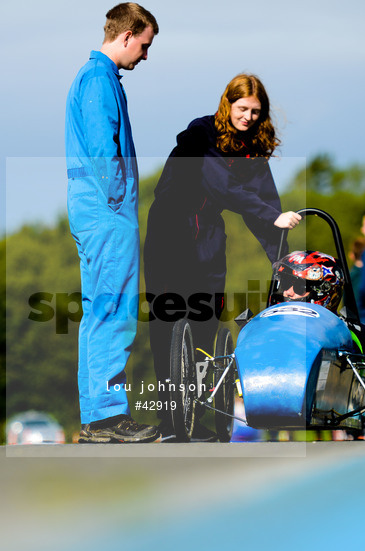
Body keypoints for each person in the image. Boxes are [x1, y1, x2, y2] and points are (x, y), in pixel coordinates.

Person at [144, 73, 301, 440]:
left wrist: (284, 268)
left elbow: (265, 203)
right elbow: (221, 184)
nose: (248, 117)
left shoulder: (251, 147)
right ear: (227, 103)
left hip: (209, 233)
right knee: (167, 323)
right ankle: (170, 421)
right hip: (171, 230)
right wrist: (267, 213)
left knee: (206, 323)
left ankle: (194, 418)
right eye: (242, 108)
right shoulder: (200, 133)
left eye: (256, 112)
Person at [65, 3, 159, 443]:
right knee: (115, 313)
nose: (145, 55)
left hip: (94, 211)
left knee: (97, 313)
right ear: (127, 36)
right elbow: (106, 150)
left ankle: (96, 417)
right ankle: (106, 417)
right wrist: (120, 204)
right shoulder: (100, 79)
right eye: (144, 45)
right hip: (108, 212)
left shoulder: (92, 76)